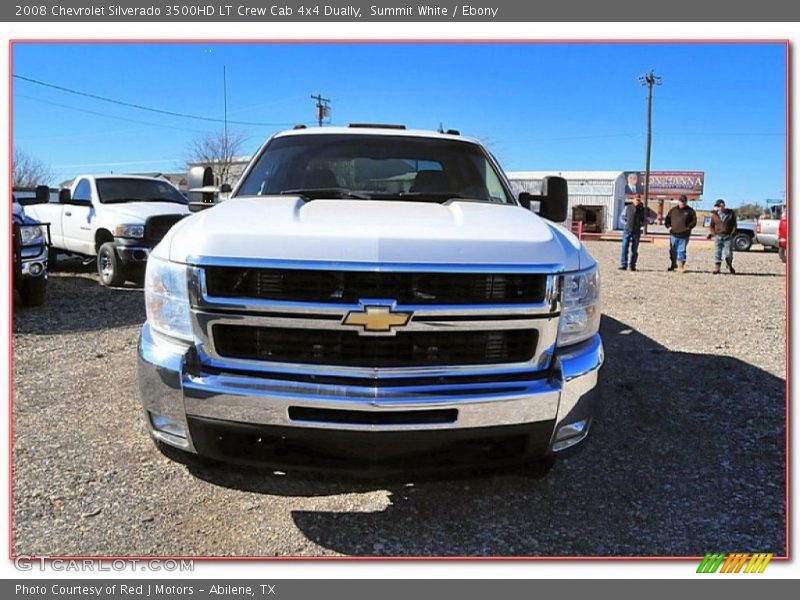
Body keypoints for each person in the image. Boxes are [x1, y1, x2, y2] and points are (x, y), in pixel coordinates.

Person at [664, 195, 697, 273]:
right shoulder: (673, 210)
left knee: (681, 250)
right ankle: (673, 265)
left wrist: (688, 227)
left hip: (684, 235)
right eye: (681, 201)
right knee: (673, 250)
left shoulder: (690, 211)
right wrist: (668, 226)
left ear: (686, 202)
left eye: (684, 201)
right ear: (678, 201)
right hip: (673, 234)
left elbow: (694, 221)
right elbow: (667, 219)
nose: (682, 203)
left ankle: (681, 266)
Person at [707, 199, 737, 274]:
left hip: (727, 236)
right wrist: (713, 233)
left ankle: (729, 264)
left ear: (724, 205)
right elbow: (711, 226)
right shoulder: (714, 215)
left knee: (728, 253)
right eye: (717, 206)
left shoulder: (730, 214)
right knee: (717, 252)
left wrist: (732, 233)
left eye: (720, 206)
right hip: (718, 236)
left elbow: (734, 225)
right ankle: (717, 268)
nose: (719, 208)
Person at [619, 196, 645, 271]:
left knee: (635, 249)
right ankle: (624, 264)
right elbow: (622, 217)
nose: (637, 201)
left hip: (636, 231)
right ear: (633, 200)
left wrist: (641, 224)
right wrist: (625, 223)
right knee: (624, 247)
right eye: (636, 200)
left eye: (639, 200)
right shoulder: (627, 207)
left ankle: (632, 265)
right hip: (627, 230)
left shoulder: (642, 209)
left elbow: (645, 219)